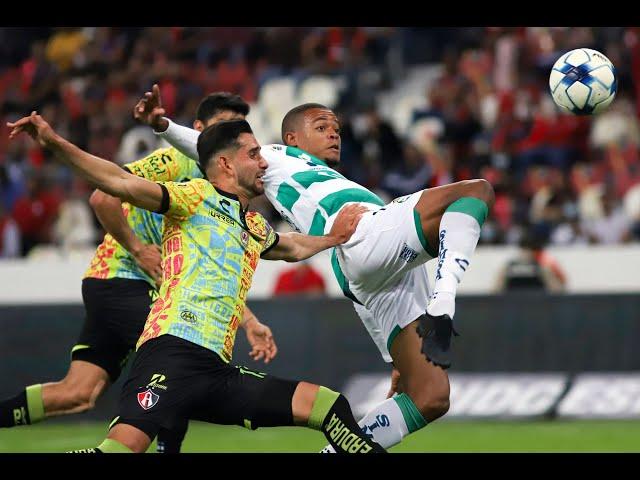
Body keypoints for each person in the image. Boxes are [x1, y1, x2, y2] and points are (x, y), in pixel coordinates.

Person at [142, 85, 495, 452]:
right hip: (364, 235)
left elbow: (361, 291)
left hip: (371, 274)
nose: (334, 134)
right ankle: (445, 300)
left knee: (430, 396)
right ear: (292, 137)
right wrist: (164, 126)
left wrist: (396, 358)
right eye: (322, 126)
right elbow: (211, 147)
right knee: (476, 191)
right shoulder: (277, 158)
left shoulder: (336, 181)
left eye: (337, 129)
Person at [8, 113, 382, 454]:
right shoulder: (192, 198)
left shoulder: (252, 225)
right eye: (254, 154)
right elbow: (116, 181)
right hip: (171, 354)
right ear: (225, 163)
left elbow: (290, 246)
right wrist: (53, 141)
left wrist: (334, 237)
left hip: (217, 373)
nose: (265, 162)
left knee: (328, 406)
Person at [0, 94, 276, 455]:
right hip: (122, 278)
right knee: (177, 363)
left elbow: (211, 278)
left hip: (126, 286)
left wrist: (249, 321)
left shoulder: (223, 191)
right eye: (223, 126)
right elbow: (102, 197)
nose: (231, 135)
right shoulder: (174, 160)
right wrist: (138, 249)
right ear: (197, 130)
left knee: (78, 394)